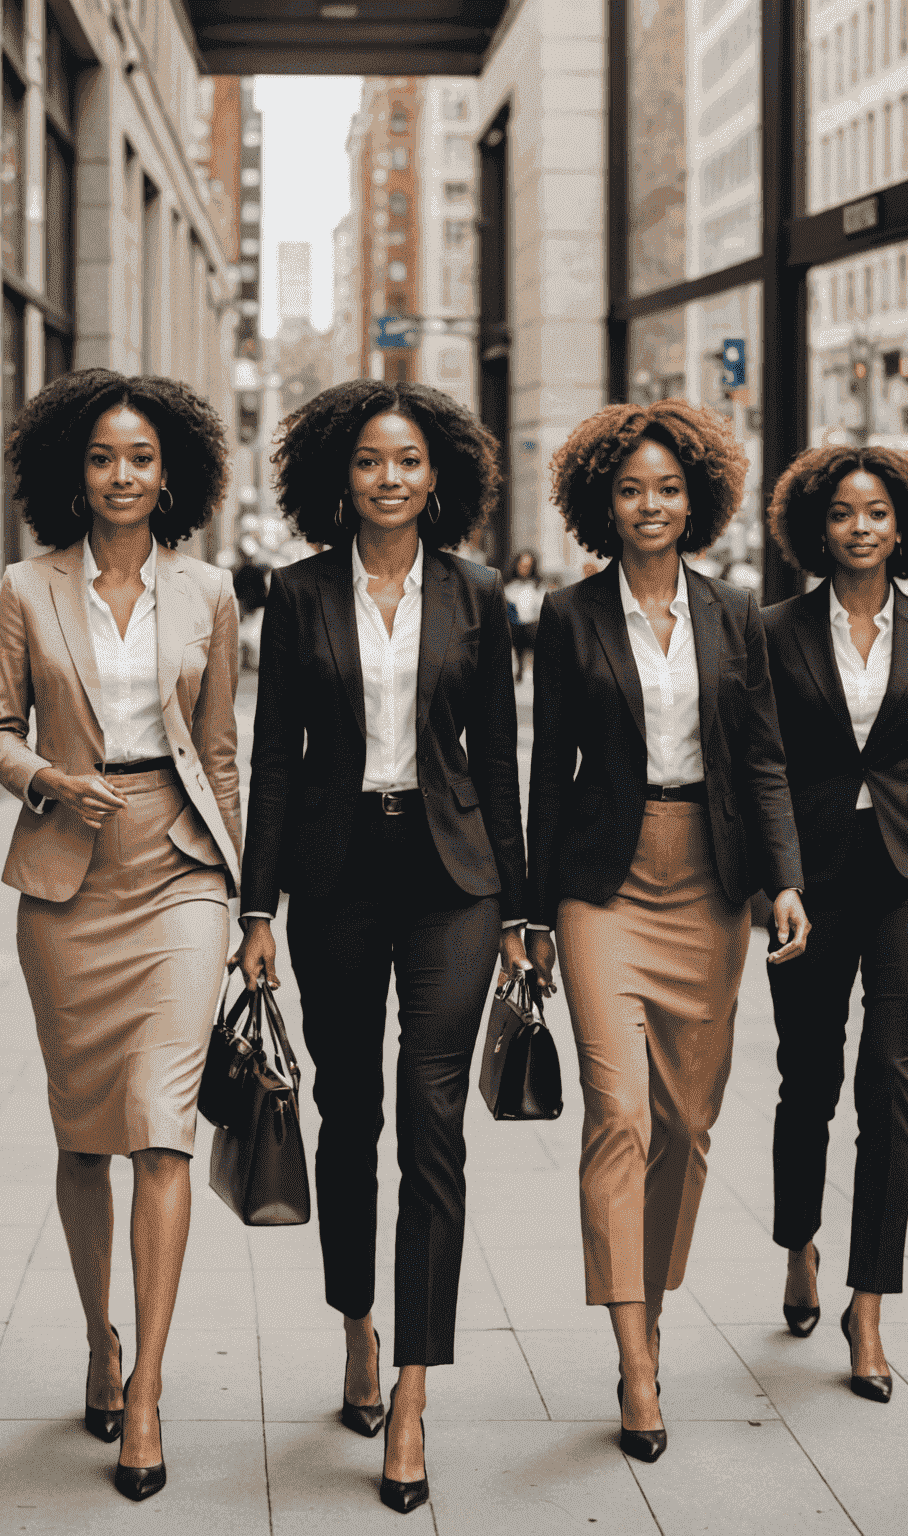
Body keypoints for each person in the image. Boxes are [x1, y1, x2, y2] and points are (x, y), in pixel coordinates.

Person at [234, 380, 527, 1516]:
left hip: (454, 879)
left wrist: (527, 912)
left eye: (407, 462)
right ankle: (355, 1319)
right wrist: (258, 908)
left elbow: (501, 754)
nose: (389, 479)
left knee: (434, 1119)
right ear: (337, 477)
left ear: (437, 474)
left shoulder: (479, 591)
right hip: (338, 877)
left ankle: (412, 1385)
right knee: (347, 1113)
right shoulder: (299, 594)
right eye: (368, 462)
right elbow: (272, 760)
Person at [526, 399, 808, 1464]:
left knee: (687, 1127)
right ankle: (636, 1357)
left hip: (711, 882)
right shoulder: (568, 614)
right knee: (619, 1110)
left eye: (668, 488)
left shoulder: (738, 613)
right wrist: (531, 909)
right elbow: (549, 767)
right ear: (604, 502)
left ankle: (650, 1295)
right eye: (631, 489)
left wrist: (783, 881)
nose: (650, 505)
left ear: (699, 500)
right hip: (603, 883)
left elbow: (766, 759)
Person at [0, 369, 239, 1502]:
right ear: (68, 475)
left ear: (169, 470)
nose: (122, 476)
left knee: (161, 1132)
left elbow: (222, 751)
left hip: (180, 870)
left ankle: (149, 1389)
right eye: (100, 458)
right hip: (69, 882)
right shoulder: (26, 589)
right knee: (85, 1135)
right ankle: (99, 1338)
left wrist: (248, 896)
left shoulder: (211, 592)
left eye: (139, 458)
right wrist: (45, 781)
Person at [762, 445, 908, 1402]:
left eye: (879, 513)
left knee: (890, 1085)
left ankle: (869, 1304)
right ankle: (801, 1242)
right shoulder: (772, 630)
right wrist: (776, 881)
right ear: (818, 526)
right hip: (810, 881)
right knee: (808, 1077)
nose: (861, 527)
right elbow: (762, 765)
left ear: (907, 527)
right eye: (845, 513)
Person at [504, 548, 546, 681]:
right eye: (522, 566)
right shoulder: (509, 585)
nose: (524, 569)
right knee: (517, 645)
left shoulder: (537, 585)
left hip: (532, 623)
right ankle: (519, 670)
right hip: (515, 625)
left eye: (528, 566)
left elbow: (541, 606)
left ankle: (536, 670)